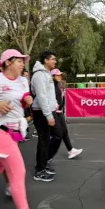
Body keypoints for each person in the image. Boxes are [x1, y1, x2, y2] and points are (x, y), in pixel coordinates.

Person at [0, 49, 32, 209]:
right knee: (18, 172)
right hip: (0, 131)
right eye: (19, 61)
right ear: (8, 62)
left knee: (1, 167)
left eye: (23, 61)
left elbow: (23, 102)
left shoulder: (23, 81)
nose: (22, 64)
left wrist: (28, 101)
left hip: (15, 132)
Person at [31, 51, 63, 182]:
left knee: (57, 135)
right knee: (44, 140)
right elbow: (41, 96)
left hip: (48, 110)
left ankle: (44, 161)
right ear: (46, 60)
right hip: (41, 111)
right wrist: (48, 115)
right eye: (53, 59)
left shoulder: (47, 74)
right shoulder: (39, 75)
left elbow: (50, 94)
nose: (55, 62)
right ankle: (40, 170)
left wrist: (54, 104)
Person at [51, 69, 83, 158]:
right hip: (53, 112)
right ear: (52, 76)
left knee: (64, 132)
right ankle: (46, 157)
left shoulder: (58, 85)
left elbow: (61, 99)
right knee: (56, 136)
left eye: (60, 75)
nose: (60, 77)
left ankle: (71, 150)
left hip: (59, 111)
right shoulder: (51, 86)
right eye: (57, 75)